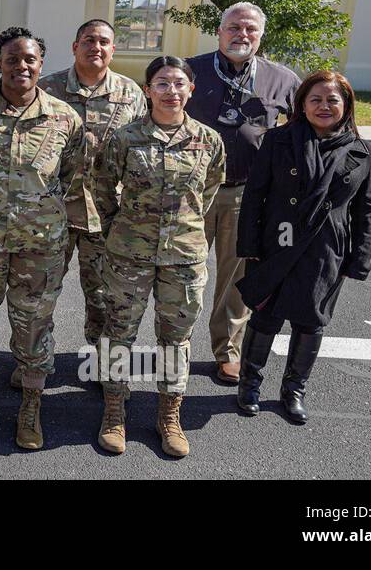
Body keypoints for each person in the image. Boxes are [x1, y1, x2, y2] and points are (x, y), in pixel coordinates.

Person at [0, 27, 84, 450]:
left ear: (41, 64)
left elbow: (70, 171)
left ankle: (31, 405)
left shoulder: (64, 117)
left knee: (34, 324)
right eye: (12, 59)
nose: (21, 66)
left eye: (30, 60)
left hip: (39, 243)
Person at [92, 56, 225, 457]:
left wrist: (183, 227)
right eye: (162, 84)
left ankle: (169, 415)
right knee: (119, 333)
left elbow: (210, 191)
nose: (171, 91)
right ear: (148, 90)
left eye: (178, 83)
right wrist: (122, 227)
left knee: (175, 339)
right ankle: (114, 409)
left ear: (191, 90)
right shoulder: (125, 138)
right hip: (129, 254)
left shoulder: (208, 140)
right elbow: (101, 185)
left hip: (184, 256)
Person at [234, 70, 371, 424]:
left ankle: (294, 390)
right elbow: (255, 195)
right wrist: (249, 244)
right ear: (302, 104)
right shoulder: (279, 140)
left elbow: (366, 210)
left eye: (332, 100)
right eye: (315, 99)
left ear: (346, 106)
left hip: (327, 249)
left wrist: (359, 259)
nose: (324, 106)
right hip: (277, 242)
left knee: (311, 321)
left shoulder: (362, 151)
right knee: (266, 314)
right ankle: (249, 384)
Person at [186, 2, 299, 384]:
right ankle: (176, 345)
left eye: (250, 29)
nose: (242, 35)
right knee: (183, 272)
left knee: (235, 280)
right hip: (192, 191)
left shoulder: (281, 79)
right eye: (234, 27)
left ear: (260, 35)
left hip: (245, 194)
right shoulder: (191, 71)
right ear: (219, 32)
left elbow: (302, 133)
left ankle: (227, 351)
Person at [37, 19, 147, 388]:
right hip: (53, 211)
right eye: (88, 40)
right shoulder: (48, 88)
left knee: (106, 297)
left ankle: (106, 370)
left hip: (107, 214)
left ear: (113, 50)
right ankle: (34, 361)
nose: (95, 47)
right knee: (40, 293)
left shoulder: (131, 93)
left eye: (103, 42)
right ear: (74, 46)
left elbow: (142, 150)